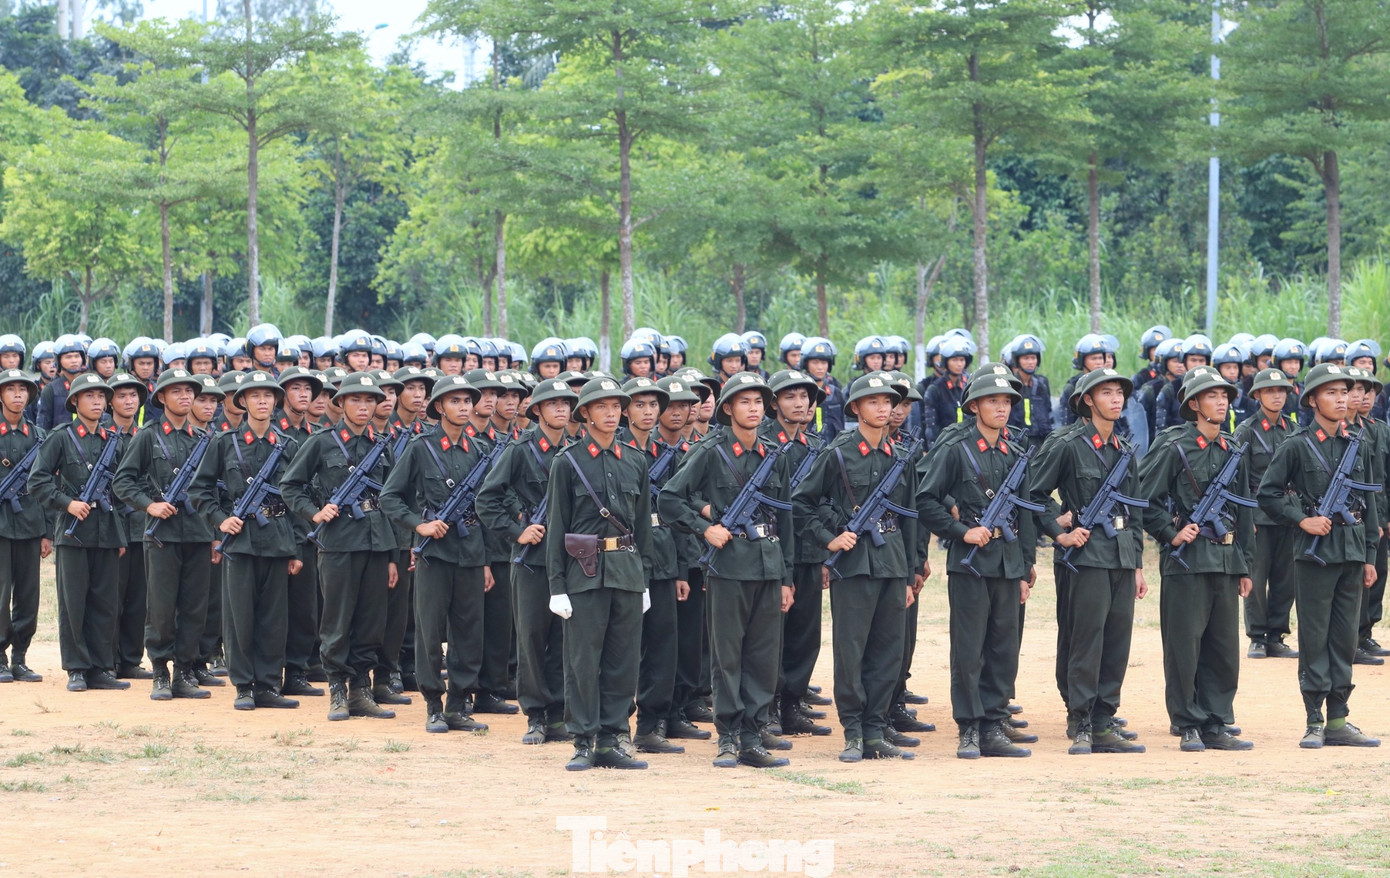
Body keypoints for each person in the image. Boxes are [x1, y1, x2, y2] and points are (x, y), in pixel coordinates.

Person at [661, 372, 796, 769]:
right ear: (728, 409)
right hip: (729, 566)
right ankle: (729, 735)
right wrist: (706, 528)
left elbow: (786, 520)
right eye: (745, 402)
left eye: (758, 402)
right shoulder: (710, 450)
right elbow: (670, 499)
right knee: (727, 656)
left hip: (769, 566)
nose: (753, 409)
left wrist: (787, 577)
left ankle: (753, 735)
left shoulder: (774, 453)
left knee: (763, 656)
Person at [795, 372, 923, 763]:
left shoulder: (901, 455)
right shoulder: (837, 452)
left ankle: (875, 728)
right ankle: (853, 731)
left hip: (891, 561)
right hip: (852, 564)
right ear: (855, 408)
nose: (885, 409)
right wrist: (828, 539)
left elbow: (911, 515)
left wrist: (911, 570)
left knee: (888, 650)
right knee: (852, 650)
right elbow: (802, 503)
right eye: (875, 402)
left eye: (889, 402)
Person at [1257, 363, 1381, 748]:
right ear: (1312, 400)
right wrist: (1302, 521)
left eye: (1345, 391)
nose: (1342, 399)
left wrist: (1370, 556)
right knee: (1314, 637)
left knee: (1344, 639)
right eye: (1331, 392)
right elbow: (1268, 494)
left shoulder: (1357, 441)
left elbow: (1370, 499)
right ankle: (1313, 719)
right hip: (1315, 556)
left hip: (1352, 551)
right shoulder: (1295, 444)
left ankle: (1338, 719)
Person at [1028, 368, 1147, 755]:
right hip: (1084, 556)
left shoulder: (1126, 450)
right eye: (1106, 393)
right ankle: (1080, 719)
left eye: (1119, 393)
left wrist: (1139, 564)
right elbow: (1034, 493)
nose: (1116, 399)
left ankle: (1103, 718)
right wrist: (1059, 531)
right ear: (1086, 401)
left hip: (1121, 555)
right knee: (1085, 639)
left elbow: (1136, 511)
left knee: (1117, 641)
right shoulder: (1066, 444)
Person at [917, 372, 1035, 759]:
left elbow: (1027, 513)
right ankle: (969, 727)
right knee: (969, 649)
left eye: (1006, 402)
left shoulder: (1015, 454)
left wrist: (1026, 564)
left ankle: (994, 724)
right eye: (992, 401)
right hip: (970, 563)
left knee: (1004, 647)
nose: (1001, 407)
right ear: (974, 406)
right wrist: (959, 531)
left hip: (1007, 561)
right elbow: (925, 499)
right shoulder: (955, 447)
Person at [1138, 369, 1255, 752]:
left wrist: (1244, 564)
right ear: (1194, 404)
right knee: (1184, 647)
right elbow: (1145, 500)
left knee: (1223, 648)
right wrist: (1171, 534)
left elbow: (1245, 511)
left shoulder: (1232, 448)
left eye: (1225, 395)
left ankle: (1217, 720)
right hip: (1185, 561)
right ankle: (1187, 721)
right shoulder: (1173, 446)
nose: (1221, 402)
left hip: (1223, 559)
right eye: (1212, 396)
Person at [544, 377, 653, 771]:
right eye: (601, 407)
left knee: (623, 661)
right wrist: (557, 586)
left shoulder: (636, 460)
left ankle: (612, 738)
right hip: (583, 575)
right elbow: (556, 527)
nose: (611, 413)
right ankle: (582, 739)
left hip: (625, 572)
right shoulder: (568, 462)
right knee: (582, 661)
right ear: (585, 413)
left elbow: (642, 529)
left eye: (615, 406)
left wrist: (644, 579)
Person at [280, 371, 399, 722]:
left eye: (369, 400)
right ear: (341, 403)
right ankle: (337, 688)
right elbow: (291, 486)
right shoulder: (322, 441)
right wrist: (315, 513)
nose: (363, 406)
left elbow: (391, 499)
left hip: (377, 545)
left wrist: (392, 556)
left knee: (371, 621)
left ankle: (362, 690)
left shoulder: (383, 444)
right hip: (338, 544)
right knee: (337, 619)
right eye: (356, 400)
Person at [381, 374, 494, 733]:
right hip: (434, 555)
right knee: (430, 631)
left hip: (472, 553)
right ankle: (433, 704)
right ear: (439, 407)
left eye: (467, 401)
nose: (463, 407)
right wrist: (420, 525)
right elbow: (390, 497)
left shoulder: (480, 451)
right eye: (455, 401)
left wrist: (488, 560)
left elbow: (487, 509)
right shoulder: (420, 447)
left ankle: (460, 704)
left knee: (470, 632)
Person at [188, 370, 302, 710]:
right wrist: (221, 520)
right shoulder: (224, 443)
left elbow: (297, 498)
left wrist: (296, 548)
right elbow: (199, 490)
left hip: (278, 538)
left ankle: (268, 684)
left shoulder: (288, 445)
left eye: (268, 396)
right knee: (240, 617)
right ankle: (244, 686)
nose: (262, 401)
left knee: (274, 618)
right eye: (255, 396)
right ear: (243, 402)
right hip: (240, 541)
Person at [477, 377, 579, 744]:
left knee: (564, 638)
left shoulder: (576, 450)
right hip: (531, 559)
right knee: (533, 638)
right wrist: (516, 531)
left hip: (569, 560)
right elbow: (486, 499)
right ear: (537, 410)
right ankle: (536, 714)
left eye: (566, 403)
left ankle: (559, 713)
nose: (561, 409)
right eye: (553, 404)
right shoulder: (519, 450)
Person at [113, 368, 218, 701]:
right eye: (177, 391)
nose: (185, 397)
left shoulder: (206, 439)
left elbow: (217, 489)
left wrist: (216, 532)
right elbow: (122, 481)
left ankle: (184, 672)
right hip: (162, 535)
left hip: (199, 533)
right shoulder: (148, 436)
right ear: (161, 397)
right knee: (160, 606)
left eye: (189, 391)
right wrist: (150, 505)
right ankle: (160, 671)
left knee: (194, 606)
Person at [29, 372, 130, 692]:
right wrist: (67, 503)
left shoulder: (114, 438)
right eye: (90, 397)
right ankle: (76, 667)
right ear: (75, 402)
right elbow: (38, 481)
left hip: (107, 530)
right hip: (72, 533)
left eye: (102, 397)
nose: (98, 402)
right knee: (74, 602)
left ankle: (101, 667)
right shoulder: (60, 437)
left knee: (105, 602)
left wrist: (121, 535)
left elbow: (125, 486)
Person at [760, 369, 833, 739]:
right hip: (771, 553)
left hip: (808, 552)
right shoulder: (760, 442)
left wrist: (824, 555)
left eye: (805, 396)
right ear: (774, 404)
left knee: (806, 634)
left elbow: (823, 504)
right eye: (789, 397)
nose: (799, 403)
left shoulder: (816, 447)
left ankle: (792, 705)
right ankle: (769, 708)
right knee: (773, 633)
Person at [1233, 367, 1300, 660]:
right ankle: (1257, 636)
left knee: (1287, 577)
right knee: (1256, 578)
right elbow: (1236, 478)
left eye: (1281, 390)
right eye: (1270, 391)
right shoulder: (1246, 431)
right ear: (1257, 395)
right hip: (1258, 515)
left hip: (1288, 513)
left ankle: (1277, 635)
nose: (1277, 396)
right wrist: (1245, 518)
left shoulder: (1294, 430)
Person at [0, 369, 48, 684]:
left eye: (23, 389)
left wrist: (47, 532)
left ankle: (20, 658)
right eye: (11, 389)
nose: (18, 394)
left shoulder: (40, 436)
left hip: (31, 523)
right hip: (1, 525)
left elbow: (47, 486)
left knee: (29, 595)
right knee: (1, 593)